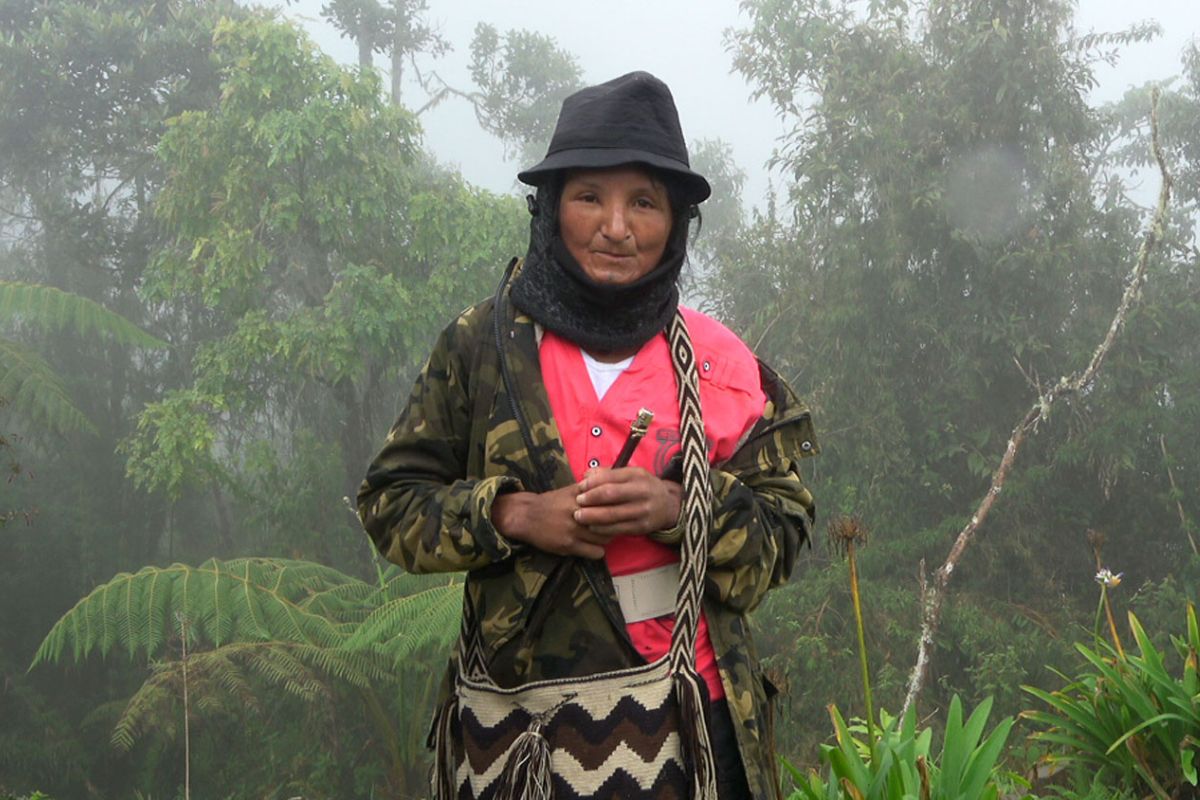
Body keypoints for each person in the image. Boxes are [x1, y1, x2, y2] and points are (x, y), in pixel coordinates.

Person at [358, 71, 817, 800]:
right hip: (517, 743)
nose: (616, 227)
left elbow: (780, 540)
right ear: (550, 208)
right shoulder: (482, 348)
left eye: (644, 202)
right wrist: (512, 514)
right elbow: (389, 504)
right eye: (589, 197)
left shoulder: (720, 364)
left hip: (691, 731)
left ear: (676, 223)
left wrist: (677, 509)